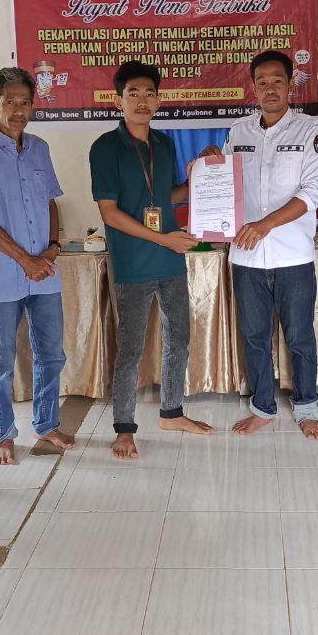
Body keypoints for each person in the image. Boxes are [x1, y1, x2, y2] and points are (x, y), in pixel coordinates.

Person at [89, 60, 214, 459]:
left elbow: (167, 196)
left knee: (179, 338)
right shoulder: (105, 147)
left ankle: (171, 412)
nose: (142, 101)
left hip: (170, 258)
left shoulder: (163, 143)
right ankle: (124, 428)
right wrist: (164, 238)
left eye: (149, 94)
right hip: (134, 262)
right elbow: (109, 213)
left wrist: (200, 177)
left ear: (159, 100)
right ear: (118, 100)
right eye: (133, 94)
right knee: (131, 348)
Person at [0, 66, 75, 466]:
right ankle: (4, 435)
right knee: (1, 361)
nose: (19, 110)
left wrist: (52, 250)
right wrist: (25, 259)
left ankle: (46, 424)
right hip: (4, 275)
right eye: (10, 102)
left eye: (26, 102)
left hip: (45, 273)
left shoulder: (40, 147)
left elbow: (50, 202)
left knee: (52, 355)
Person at [220, 50, 318, 440]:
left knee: (300, 336)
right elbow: (224, 184)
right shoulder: (239, 133)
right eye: (262, 82)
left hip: (292, 256)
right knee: (254, 336)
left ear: (290, 85)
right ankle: (262, 406)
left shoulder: (311, 131)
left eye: (277, 81)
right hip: (246, 257)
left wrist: (266, 225)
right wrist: (207, 166)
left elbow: (315, 191)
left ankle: (307, 406)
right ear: (253, 87)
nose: (270, 89)